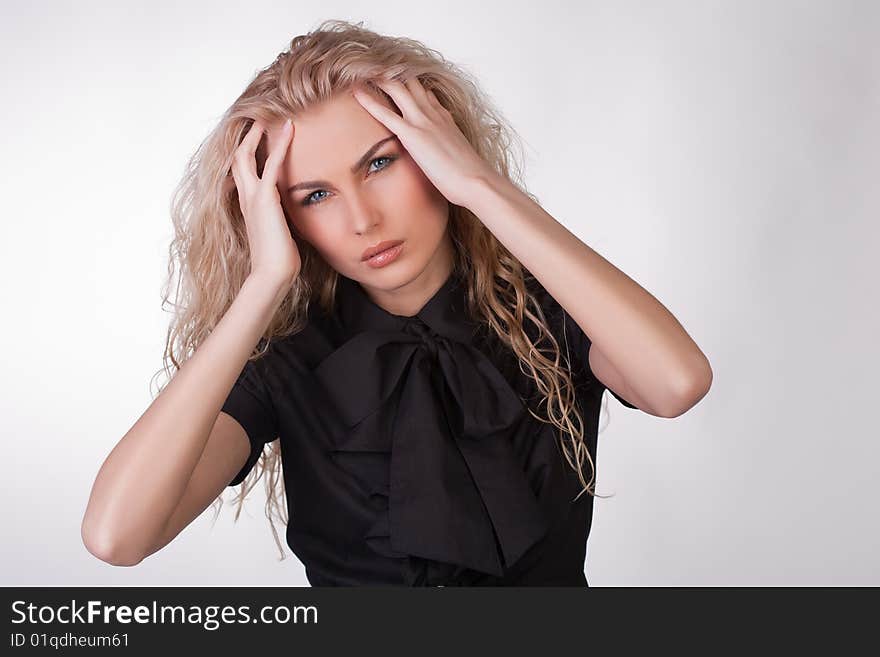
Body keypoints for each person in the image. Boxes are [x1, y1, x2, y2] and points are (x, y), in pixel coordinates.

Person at [81, 19, 712, 586]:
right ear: (281, 215)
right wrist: (263, 282)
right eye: (315, 196)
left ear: (436, 147)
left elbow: (677, 383)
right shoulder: (284, 363)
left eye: (380, 163)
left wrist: (480, 186)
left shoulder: (554, 308)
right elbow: (117, 537)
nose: (362, 219)